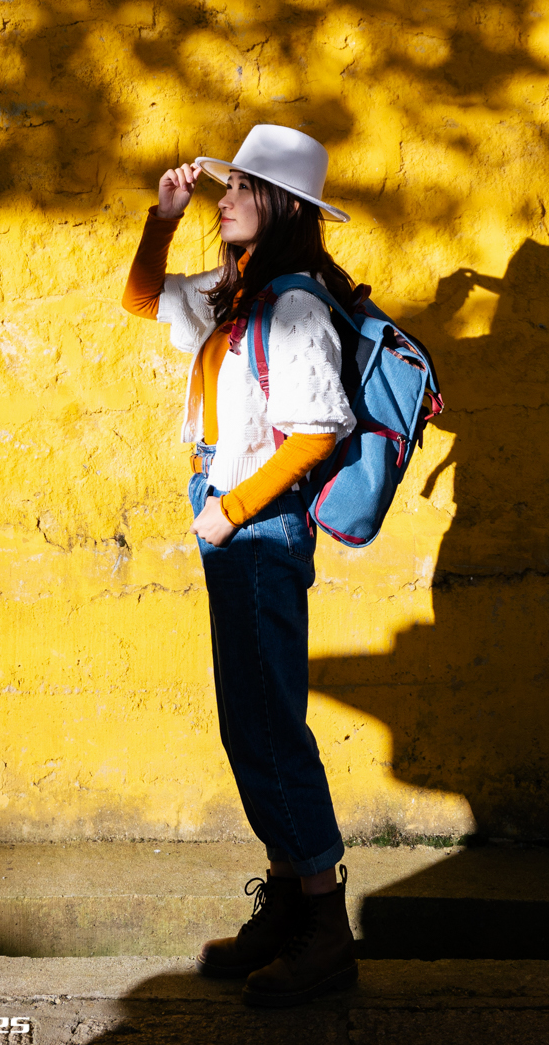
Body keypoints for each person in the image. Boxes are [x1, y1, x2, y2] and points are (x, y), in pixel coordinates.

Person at [121, 122, 360, 1007]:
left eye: (242, 189)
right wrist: (164, 217)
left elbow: (315, 433)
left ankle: (324, 929)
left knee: (267, 728)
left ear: (284, 208)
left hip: (256, 533)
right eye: (227, 186)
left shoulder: (293, 304)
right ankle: (291, 908)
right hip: (229, 527)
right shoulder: (236, 292)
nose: (226, 197)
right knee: (251, 724)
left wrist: (229, 512)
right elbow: (143, 299)